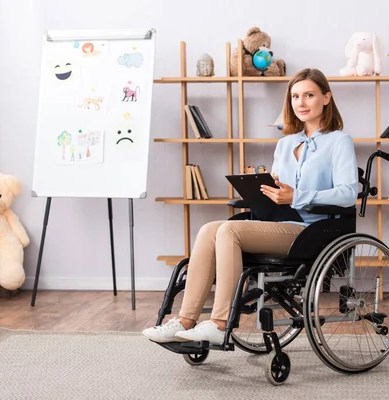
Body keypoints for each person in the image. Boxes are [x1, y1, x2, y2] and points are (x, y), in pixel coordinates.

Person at [142, 68, 359, 344]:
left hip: (314, 230)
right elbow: (279, 191)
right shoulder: (285, 144)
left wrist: (298, 196)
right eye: (295, 96)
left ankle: (220, 324)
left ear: (326, 98)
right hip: (279, 223)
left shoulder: (339, 140)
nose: (301, 103)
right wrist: (262, 188)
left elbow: (348, 194)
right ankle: (185, 320)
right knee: (210, 228)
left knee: (229, 232)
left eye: (309, 95)